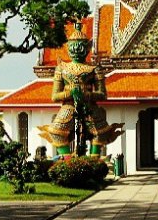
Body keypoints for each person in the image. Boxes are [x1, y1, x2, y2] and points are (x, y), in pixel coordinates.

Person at [37, 22, 123, 155]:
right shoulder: (62, 68)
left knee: (100, 134)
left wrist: (87, 94)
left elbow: (102, 94)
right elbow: (54, 96)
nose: (76, 51)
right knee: (57, 133)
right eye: (73, 48)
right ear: (68, 48)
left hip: (89, 107)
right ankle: (67, 159)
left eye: (80, 48)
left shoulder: (94, 68)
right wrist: (69, 92)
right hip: (69, 107)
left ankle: (94, 159)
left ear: (87, 49)